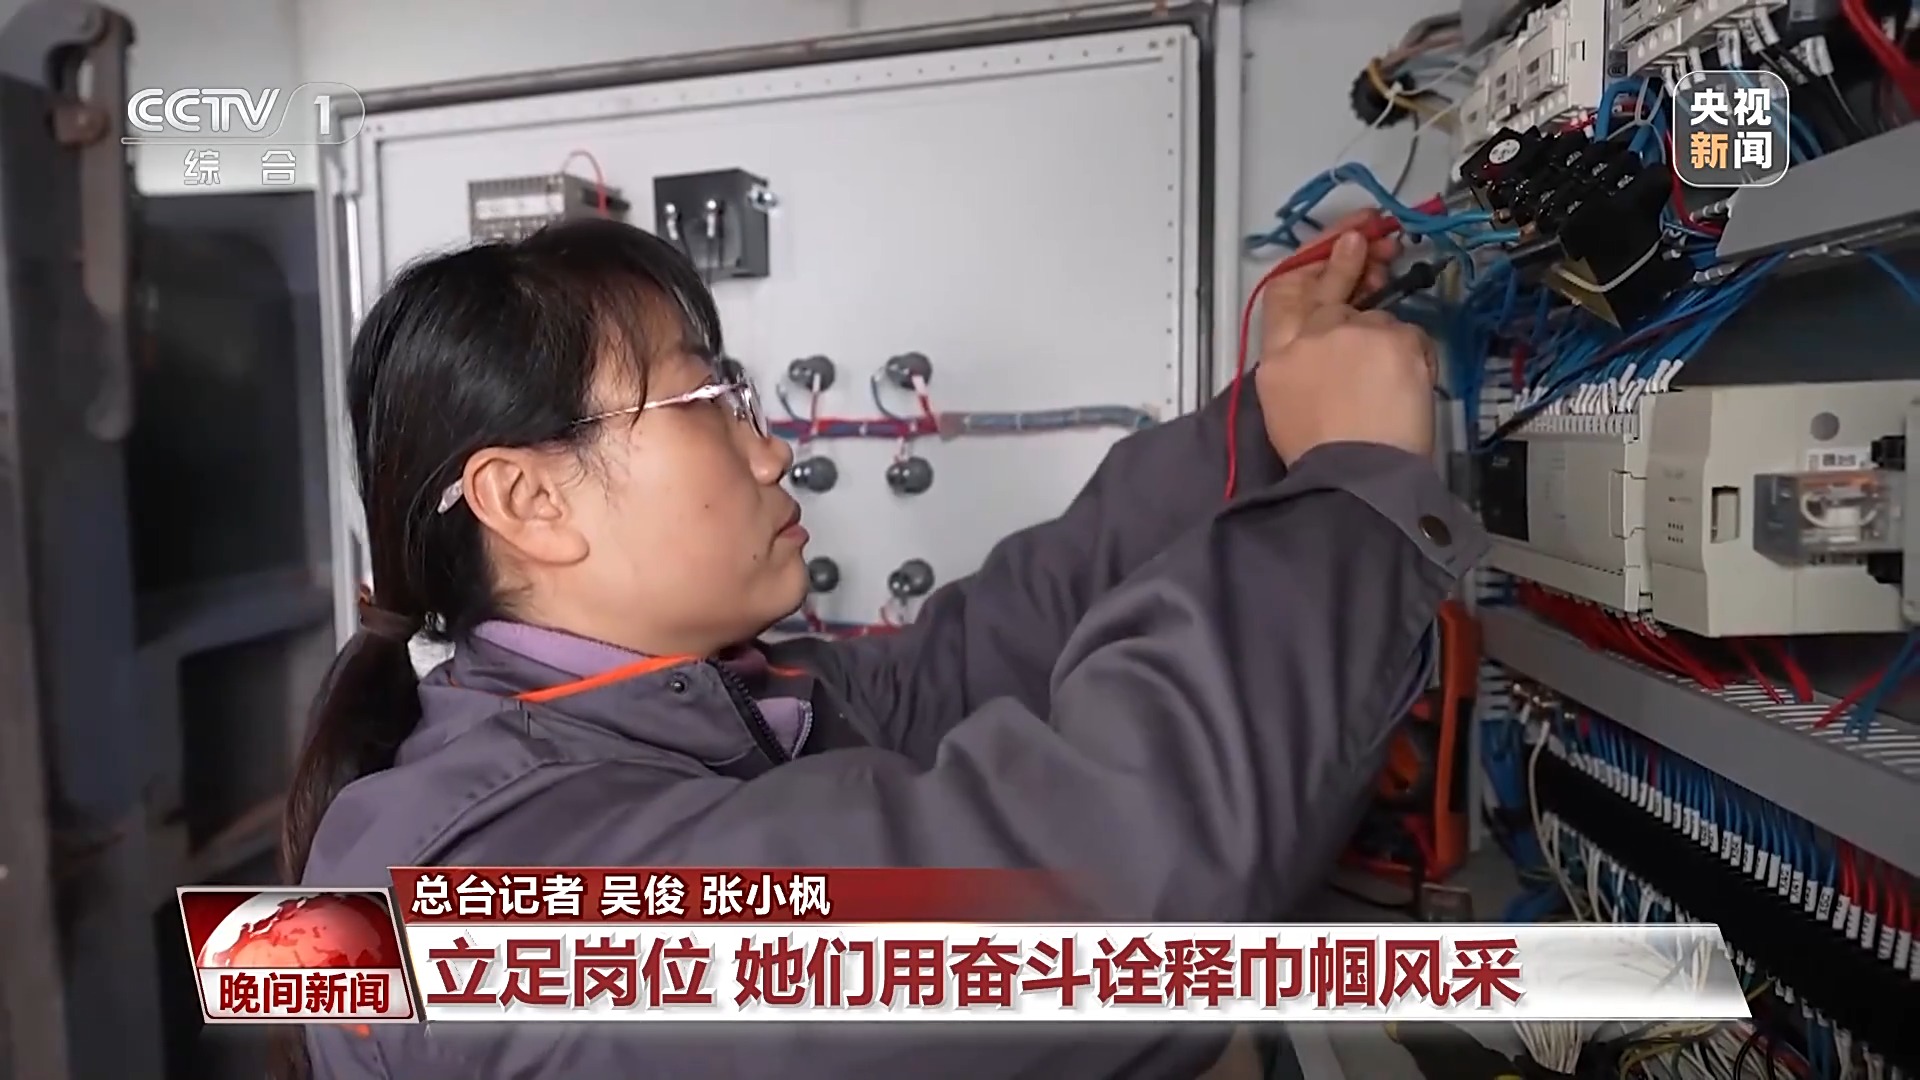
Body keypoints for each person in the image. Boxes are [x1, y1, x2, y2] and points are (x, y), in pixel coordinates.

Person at [288, 214, 1484, 1079]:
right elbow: (1094, 901)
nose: (773, 452)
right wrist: (1350, 497)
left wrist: (1273, 419)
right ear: (530, 501)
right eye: (708, 404)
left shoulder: (723, 715)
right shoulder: (475, 904)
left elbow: (990, 646)